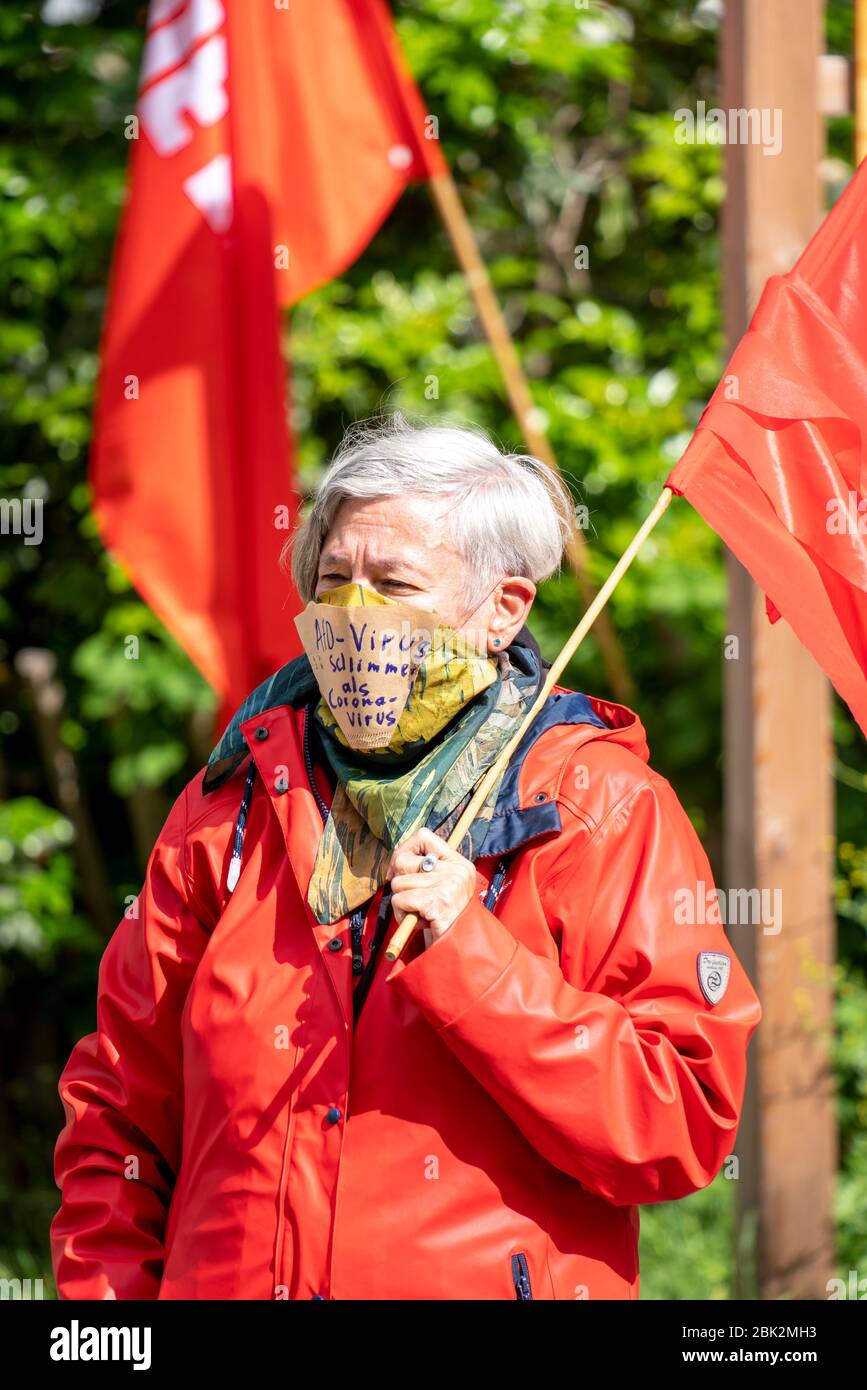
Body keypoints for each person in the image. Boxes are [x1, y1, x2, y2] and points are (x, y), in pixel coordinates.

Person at [50, 411, 762, 1301]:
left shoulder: (596, 807)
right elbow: (117, 1111)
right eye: (333, 578)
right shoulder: (226, 802)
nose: (355, 611)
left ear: (502, 609)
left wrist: (474, 957)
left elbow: (680, 1124)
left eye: (394, 583)